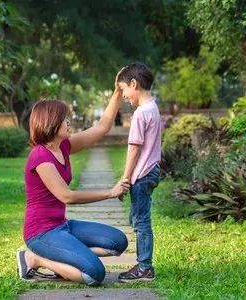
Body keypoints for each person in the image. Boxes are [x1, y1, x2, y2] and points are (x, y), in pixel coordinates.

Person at [16, 74, 130, 286]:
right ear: (51, 122)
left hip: (62, 226)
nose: (68, 122)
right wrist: (109, 193)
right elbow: (66, 196)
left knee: (118, 242)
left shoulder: (64, 147)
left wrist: (117, 93)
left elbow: (101, 127)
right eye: (64, 118)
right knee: (94, 274)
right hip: (40, 233)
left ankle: (68, 253)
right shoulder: (40, 155)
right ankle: (35, 259)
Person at [116, 63, 162, 282]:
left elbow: (134, 148)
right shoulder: (153, 107)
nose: (124, 95)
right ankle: (143, 264)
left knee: (141, 221)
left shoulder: (140, 114)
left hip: (142, 174)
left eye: (124, 89)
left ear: (134, 84)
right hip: (152, 171)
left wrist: (125, 178)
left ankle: (145, 268)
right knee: (137, 218)